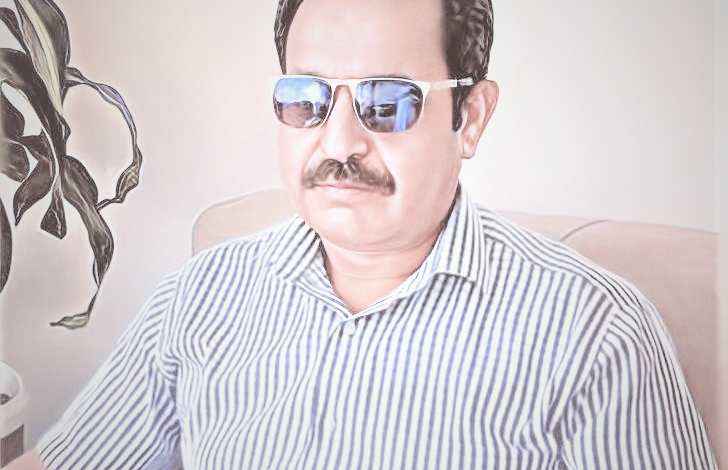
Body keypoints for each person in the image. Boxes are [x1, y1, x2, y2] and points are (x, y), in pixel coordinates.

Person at [9, 0, 718, 468]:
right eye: (306, 99)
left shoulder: (595, 334)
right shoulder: (199, 298)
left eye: (387, 100)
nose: (338, 141)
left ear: (470, 117)